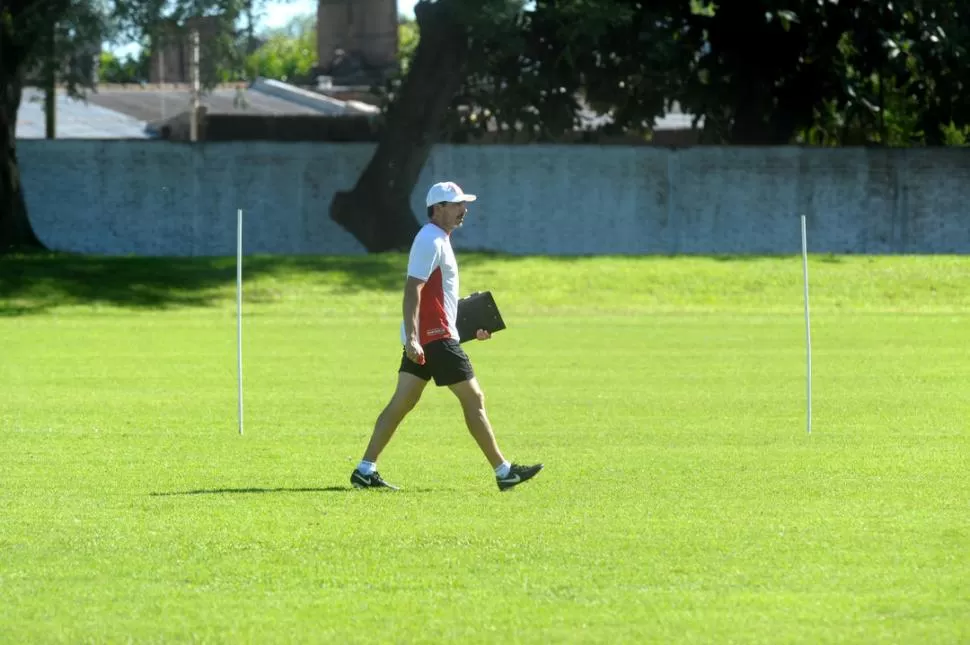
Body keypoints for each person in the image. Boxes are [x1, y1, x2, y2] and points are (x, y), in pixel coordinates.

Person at [350, 181, 543, 492]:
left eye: (463, 204)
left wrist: (467, 328)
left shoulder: (438, 239)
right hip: (434, 337)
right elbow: (413, 289)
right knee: (474, 398)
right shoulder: (430, 239)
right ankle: (504, 471)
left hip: (434, 335)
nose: (462, 210)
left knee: (402, 401)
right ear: (437, 208)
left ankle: (364, 469)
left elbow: (437, 298)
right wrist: (413, 337)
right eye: (455, 205)